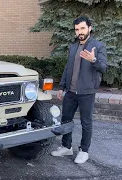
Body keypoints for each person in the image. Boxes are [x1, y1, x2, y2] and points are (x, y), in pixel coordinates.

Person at [50, 16, 108, 164]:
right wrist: (62, 87)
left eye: (82, 28)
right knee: (65, 119)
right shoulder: (74, 47)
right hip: (70, 91)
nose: (79, 32)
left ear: (90, 28)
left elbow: (103, 68)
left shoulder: (98, 46)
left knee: (86, 122)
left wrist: (93, 60)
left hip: (87, 92)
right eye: (77, 29)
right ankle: (66, 146)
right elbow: (67, 69)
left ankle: (84, 151)